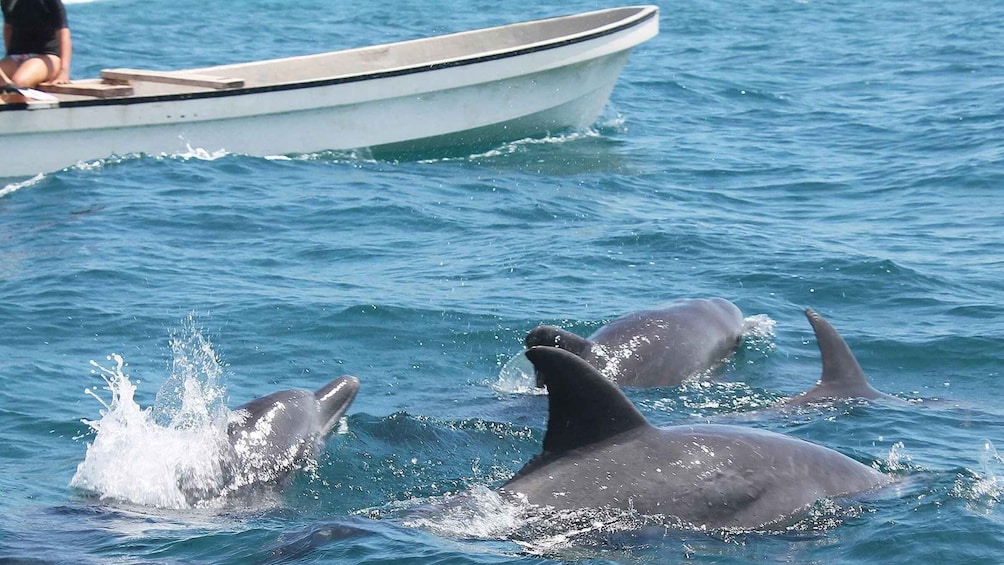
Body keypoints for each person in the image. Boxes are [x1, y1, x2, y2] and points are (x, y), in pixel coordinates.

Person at [1, 0, 72, 89]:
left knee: (19, 82)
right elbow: (8, 28)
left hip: (47, 56)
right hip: (16, 56)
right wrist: (8, 56)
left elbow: (63, 32)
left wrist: (63, 71)